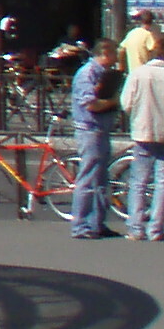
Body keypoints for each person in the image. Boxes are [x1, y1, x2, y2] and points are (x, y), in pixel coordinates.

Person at [119, 39, 164, 242]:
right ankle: (156, 229)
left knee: (139, 181)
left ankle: (135, 228)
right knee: (163, 183)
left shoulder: (138, 74)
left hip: (143, 131)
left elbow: (126, 103)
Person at [66, 41, 122, 240]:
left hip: (101, 129)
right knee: (88, 178)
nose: (117, 57)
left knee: (100, 179)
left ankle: (97, 223)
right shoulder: (87, 73)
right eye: (115, 53)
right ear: (105, 53)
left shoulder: (104, 73)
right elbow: (91, 104)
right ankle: (81, 225)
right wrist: (113, 102)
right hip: (90, 130)